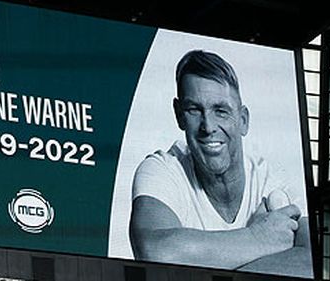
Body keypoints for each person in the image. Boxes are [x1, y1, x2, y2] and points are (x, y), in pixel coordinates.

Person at [129, 50, 310, 270]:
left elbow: (314, 262)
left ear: (243, 120)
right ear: (179, 115)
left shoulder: (273, 181)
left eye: (221, 111)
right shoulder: (162, 170)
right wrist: (257, 238)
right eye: (194, 110)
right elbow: (155, 253)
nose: (208, 126)